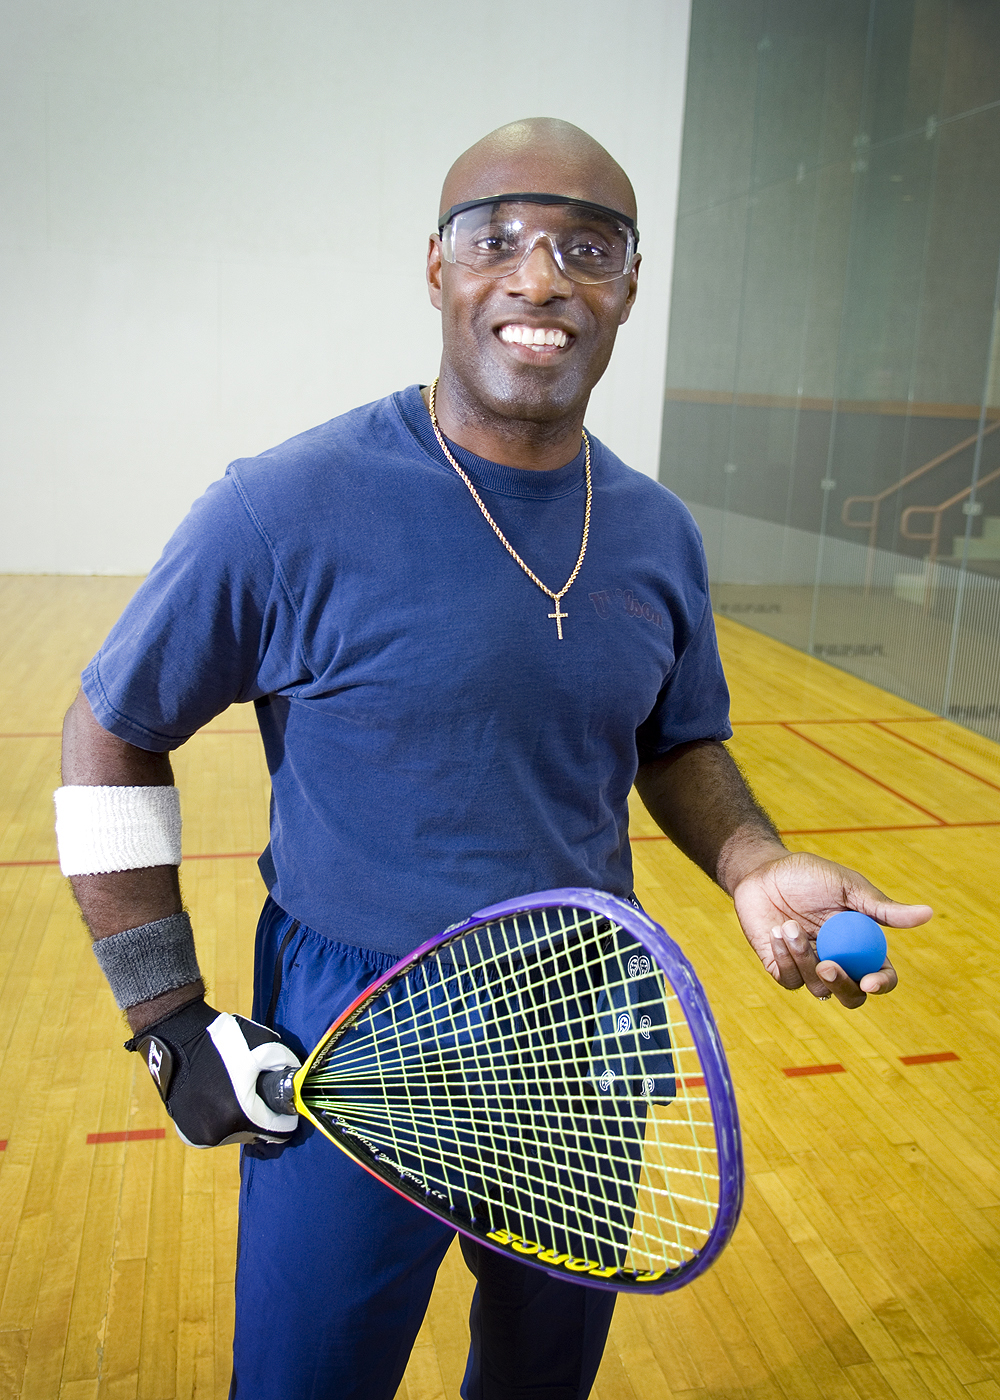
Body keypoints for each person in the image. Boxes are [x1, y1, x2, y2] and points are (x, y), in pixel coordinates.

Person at [57, 118, 932, 1399]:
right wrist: (167, 1016)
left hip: (583, 1019)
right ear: (436, 269)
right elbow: (110, 726)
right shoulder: (285, 504)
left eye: (588, 246)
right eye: (497, 238)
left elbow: (677, 738)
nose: (538, 278)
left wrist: (753, 863)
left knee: (538, 1379)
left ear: (628, 286)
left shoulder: (654, 530)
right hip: (356, 1028)